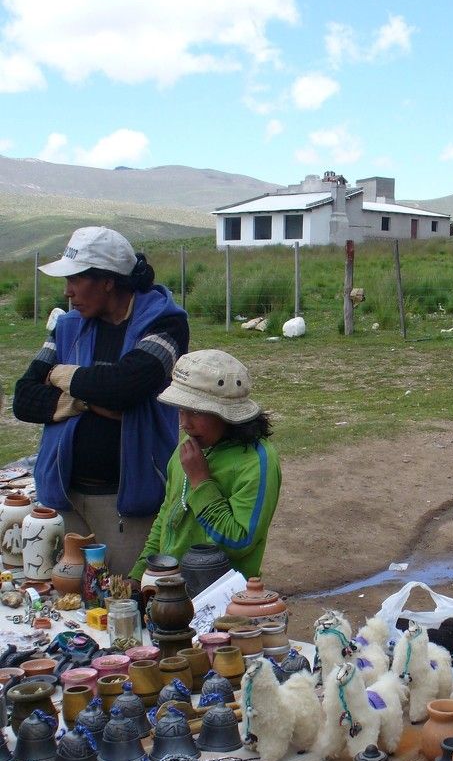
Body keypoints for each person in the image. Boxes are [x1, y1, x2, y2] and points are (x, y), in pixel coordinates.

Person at [13, 226, 189, 574]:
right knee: (68, 605)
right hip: (64, 494)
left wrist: (63, 376)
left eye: (76, 279)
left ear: (108, 281)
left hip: (128, 502)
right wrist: (83, 402)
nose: (68, 291)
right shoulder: (68, 326)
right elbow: (24, 397)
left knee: (128, 599)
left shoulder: (165, 323)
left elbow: (126, 387)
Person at [129, 349, 281, 582]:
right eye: (181, 409)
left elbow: (240, 541)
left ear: (227, 413)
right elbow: (167, 515)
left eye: (197, 412)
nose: (184, 423)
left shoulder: (257, 461)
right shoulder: (191, 445)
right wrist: (142, 571)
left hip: (221, 599)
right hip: (170, 588)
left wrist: (201, 482)